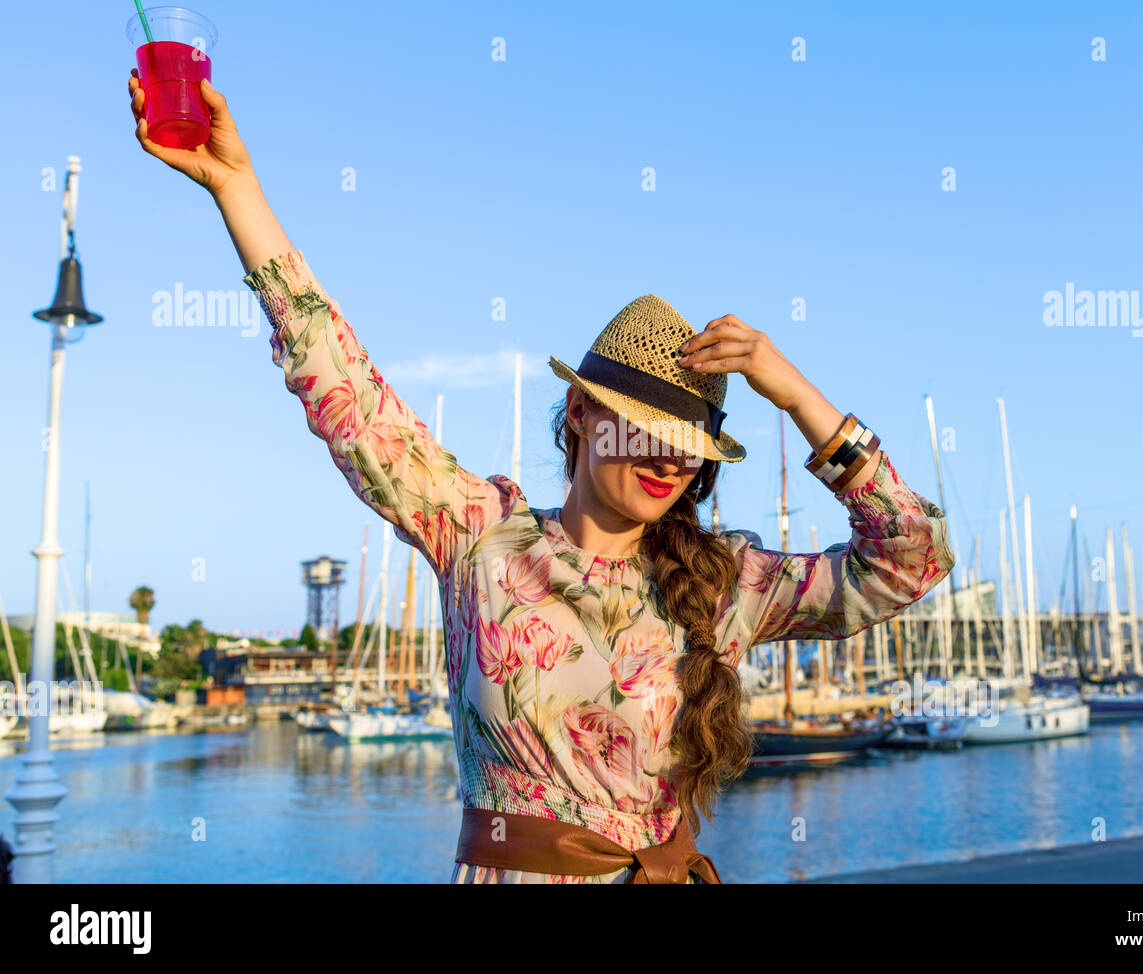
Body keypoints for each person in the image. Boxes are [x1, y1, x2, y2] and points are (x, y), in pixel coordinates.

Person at [128, 74, 956, 883]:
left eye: (690, 445)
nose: (670, 459)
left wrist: (797, 394)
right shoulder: (480, 536)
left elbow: (909, 560)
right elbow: (343, 389)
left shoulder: (724, 583)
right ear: (584, 414)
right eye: (647, 431)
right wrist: (238, 191)